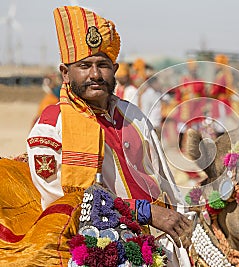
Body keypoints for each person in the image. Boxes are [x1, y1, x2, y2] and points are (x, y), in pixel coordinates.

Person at [26, 6, 192, 262]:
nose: (95, 74)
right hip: (89, 250)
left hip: (159, 243)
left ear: (114, 69)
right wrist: (145, 212)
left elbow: (166, 184)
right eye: (84, 66)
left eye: (102, 65)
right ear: (65, 73)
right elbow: (67, 206)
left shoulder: (133, 115)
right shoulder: (50, 127)